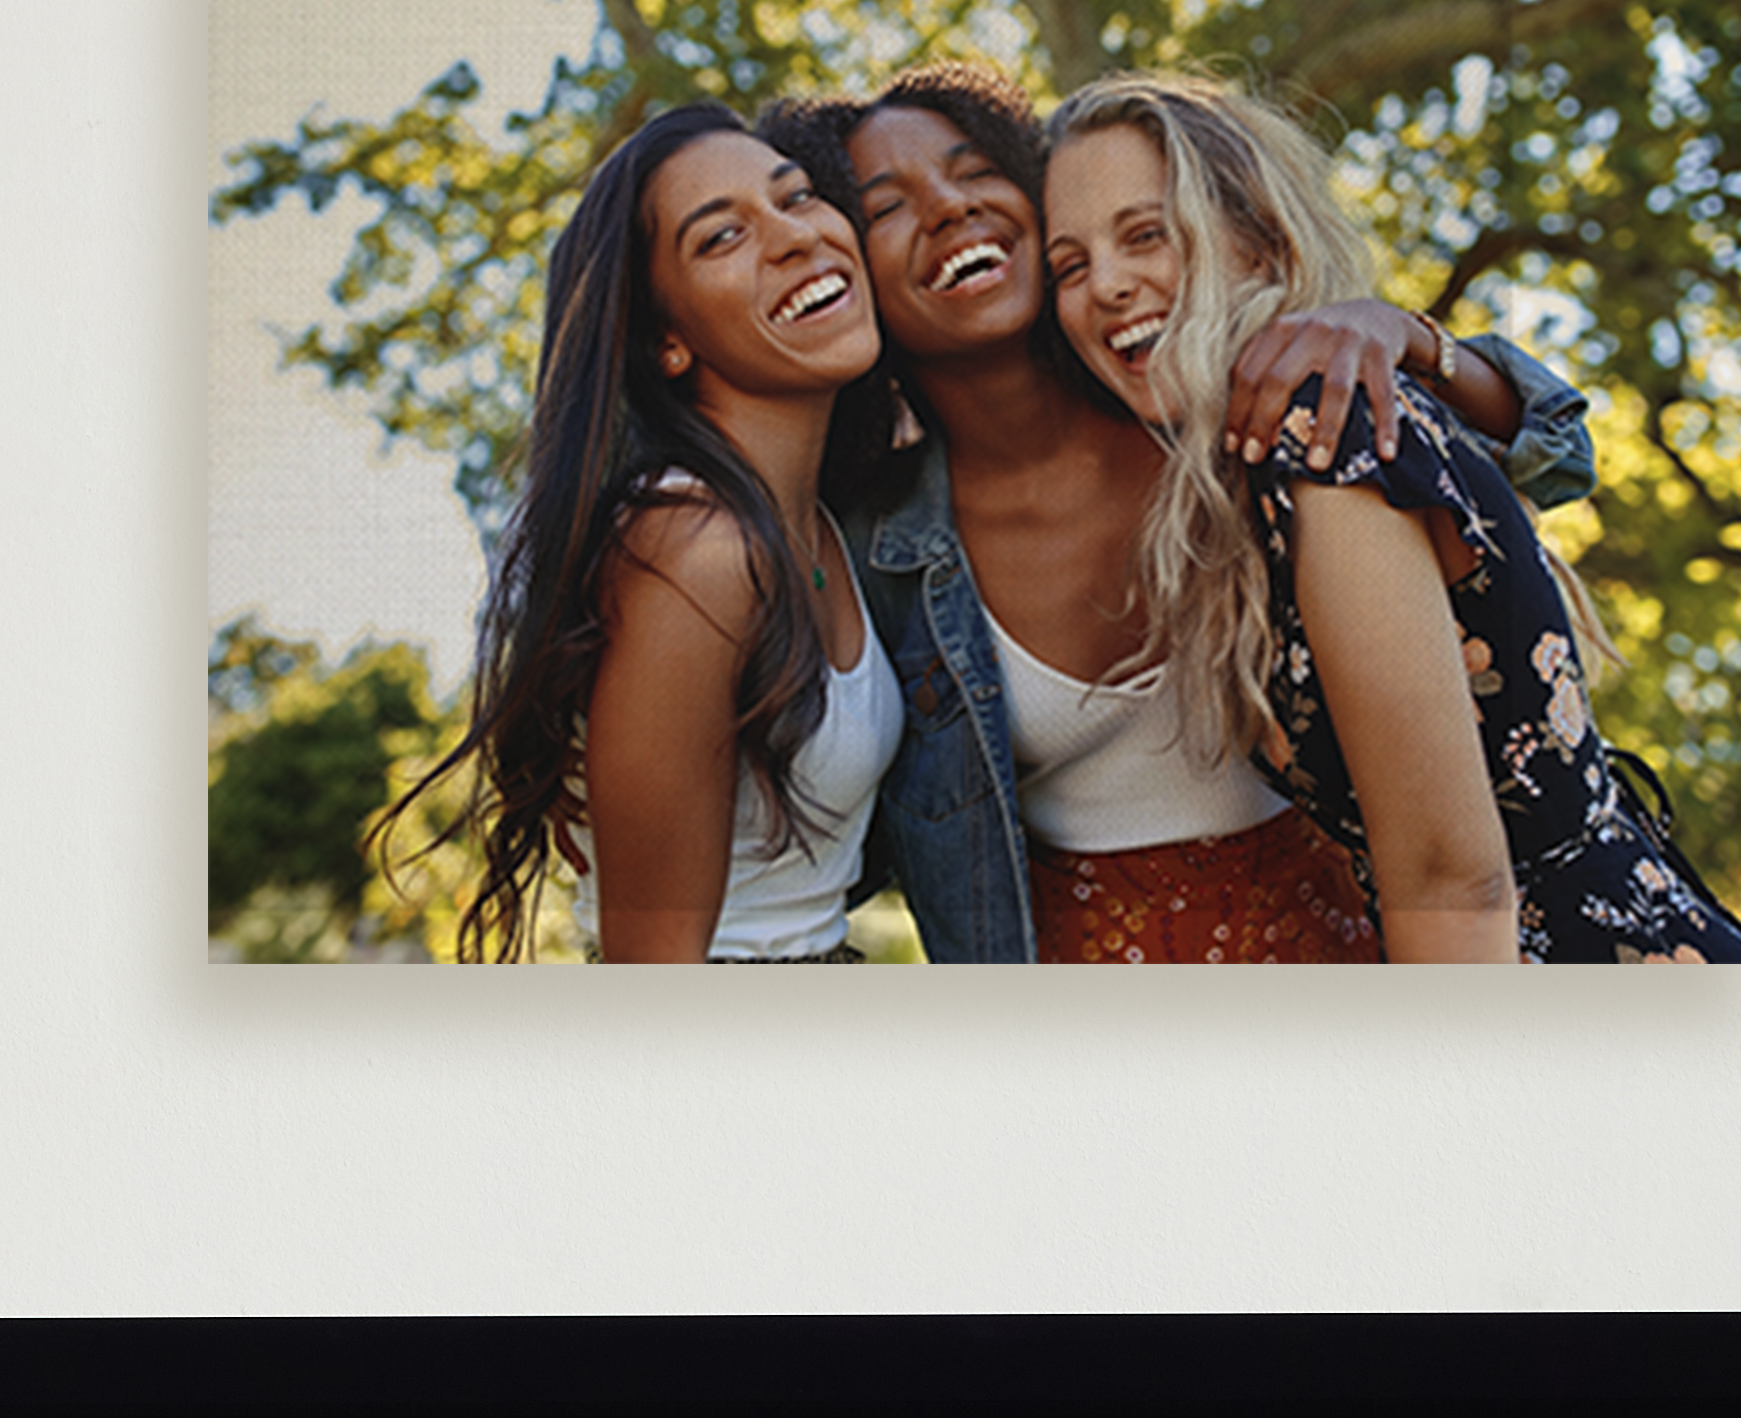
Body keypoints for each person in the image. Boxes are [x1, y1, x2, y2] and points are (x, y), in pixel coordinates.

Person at [798, 64, 1597, 966]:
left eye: (975, 170)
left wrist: (1405, 333)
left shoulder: (1223, 400)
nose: (948, 207)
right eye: (884, 207)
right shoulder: (866, 550)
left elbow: (1552, 460)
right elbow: (812, 833)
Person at [1036, 69, 1741, 969]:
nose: (1106, 285)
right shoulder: (1248, 454)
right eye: (1069, 266)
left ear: (1259, 243)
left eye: (1146, 234)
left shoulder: (1327, 424)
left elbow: (1452, 883)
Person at [431, 102, 900, 963]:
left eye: (796, 199)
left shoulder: (819, 520)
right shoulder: (694, 548)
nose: (794, 238)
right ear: (668, 343)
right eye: (721, 238)